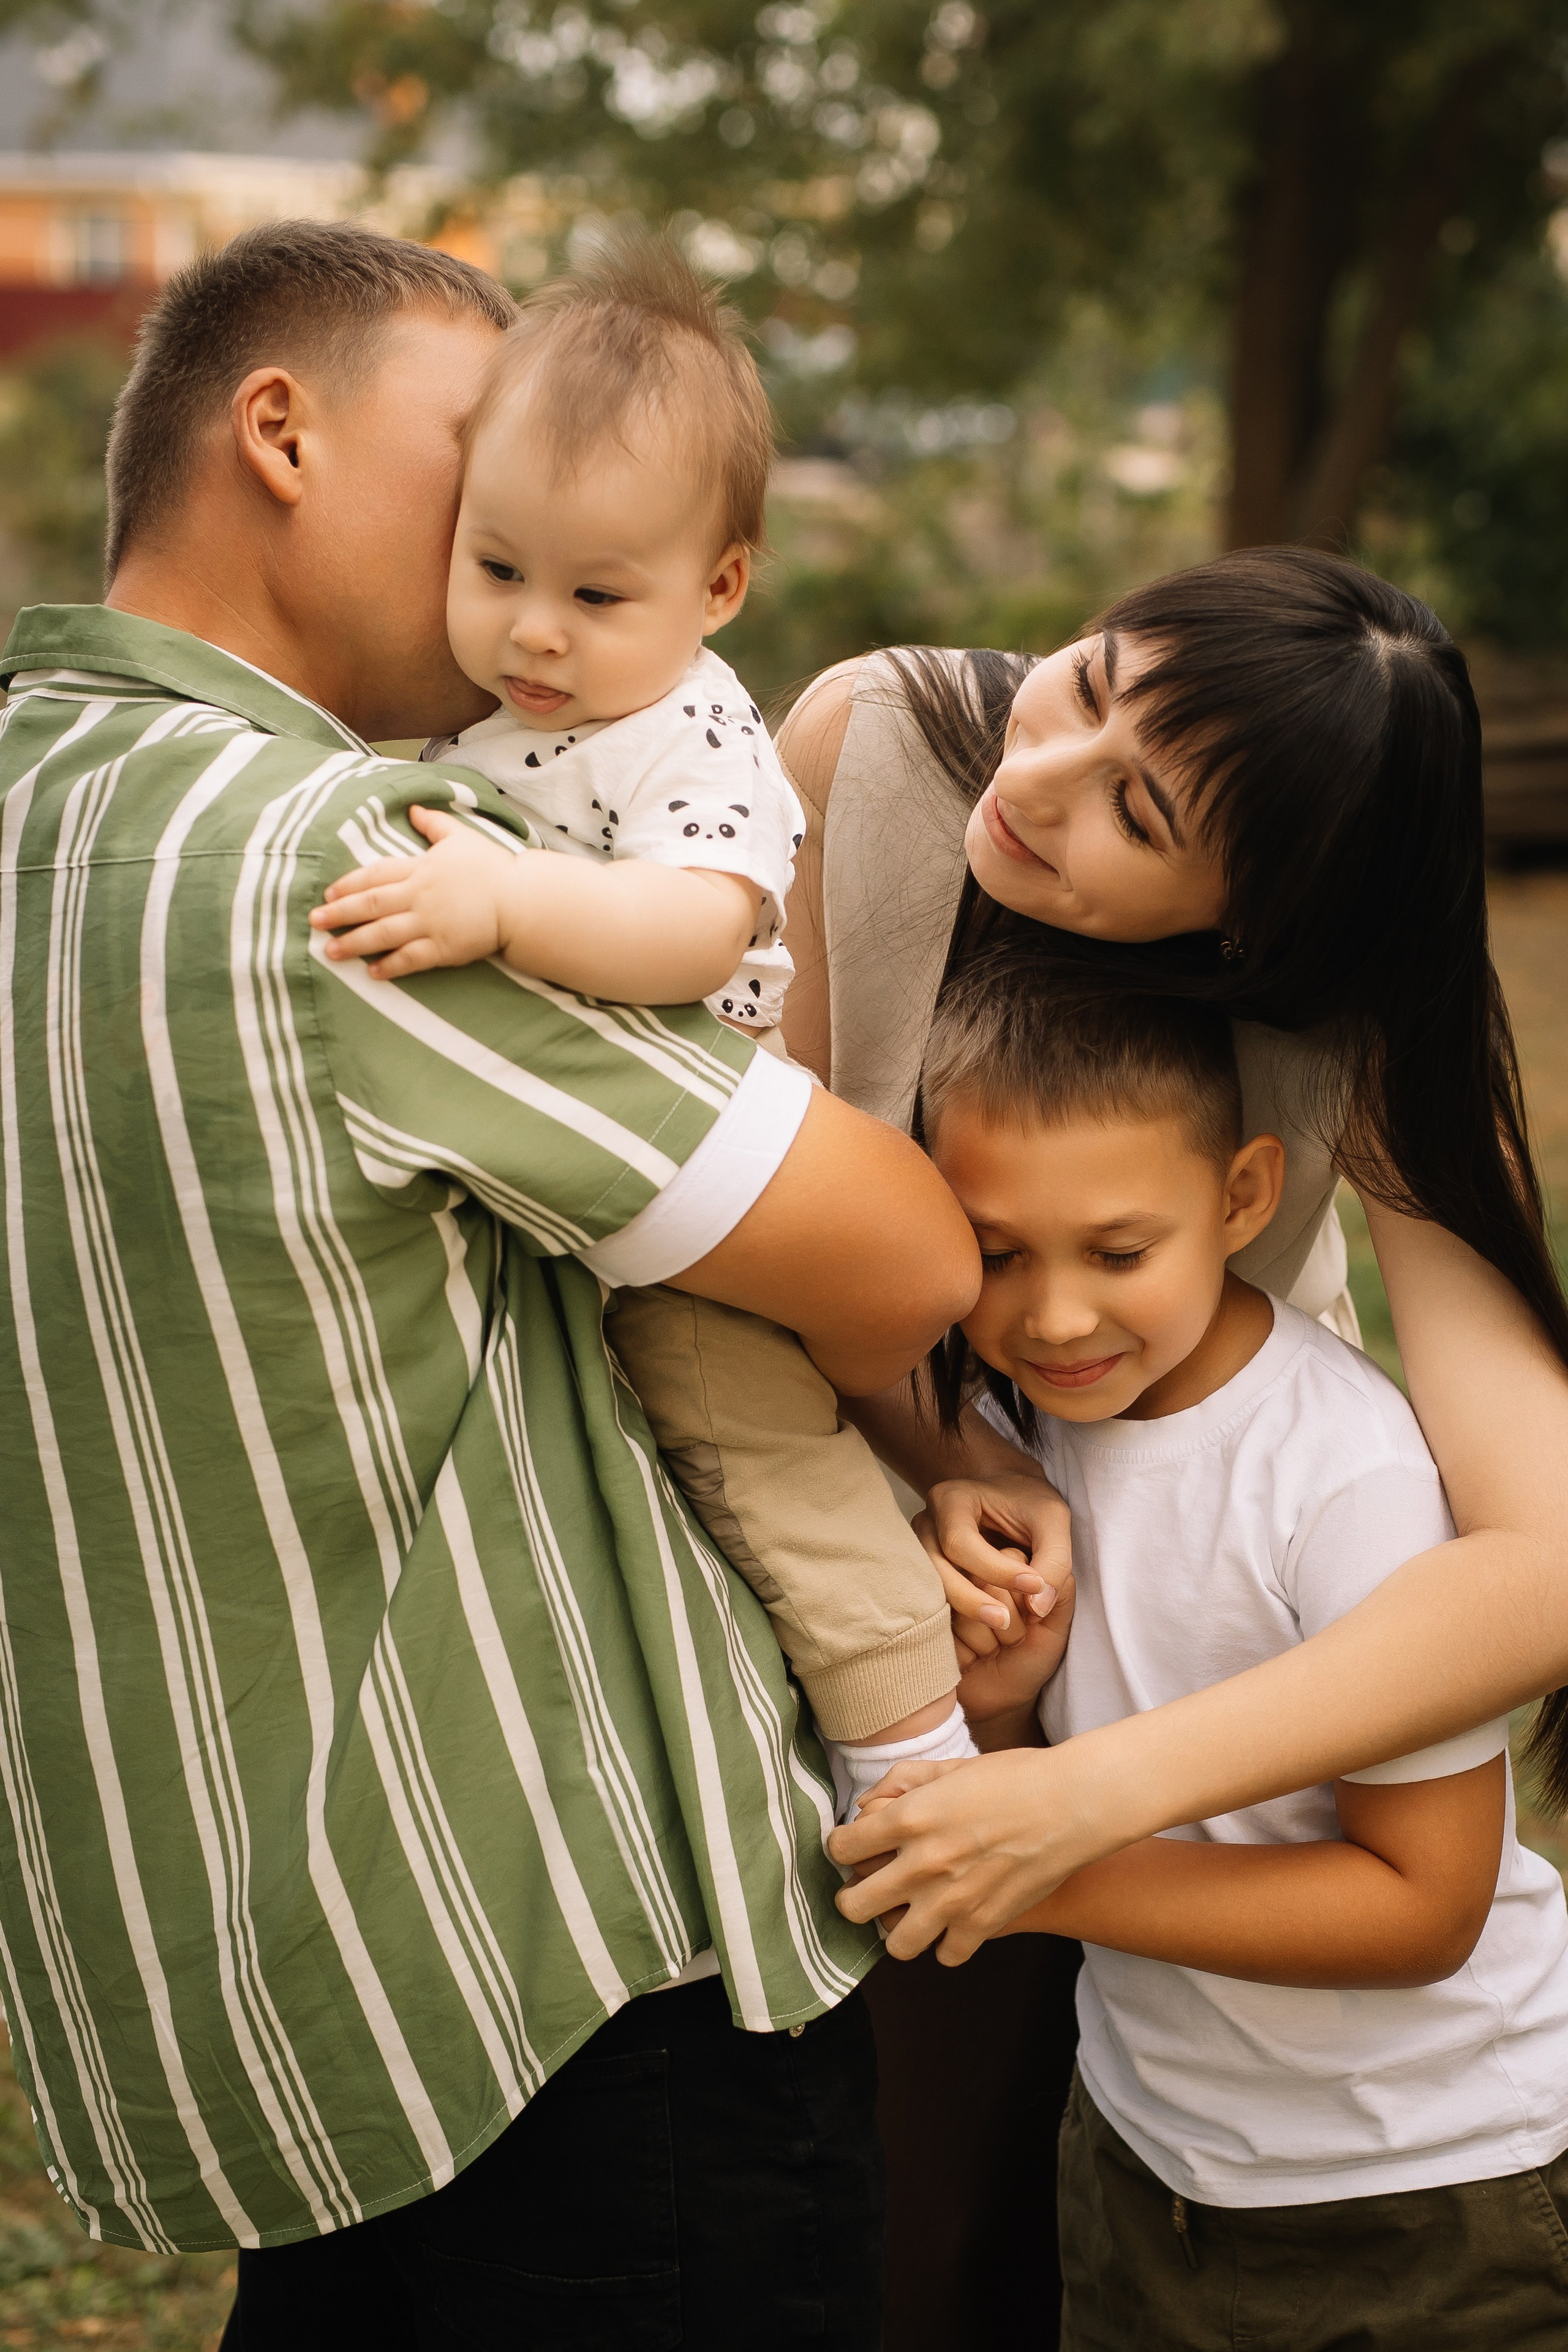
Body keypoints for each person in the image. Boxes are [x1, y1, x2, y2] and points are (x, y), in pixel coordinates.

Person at [0, 217, 982, 2349]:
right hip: (567, 1986)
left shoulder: (36, 798)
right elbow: (903, 1247)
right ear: (283, 434)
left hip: (270, 1986)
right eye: (475, 465)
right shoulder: (345, 863)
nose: (514, 541)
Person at [770, 564, 1568, 2347]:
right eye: (1087, 683)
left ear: (1255, 932)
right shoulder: (877, 744)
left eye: (1139, 814)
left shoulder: (1360, 1010)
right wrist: (957, 1454)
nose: (1039, 774)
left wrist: (1084, 1801)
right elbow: (766, 1232)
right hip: (897, 1595)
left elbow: (1547, 1561)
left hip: (1186, 1626)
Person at [310, 227, 1001, 1807]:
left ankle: (914, 1756)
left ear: (720, 588)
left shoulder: (690, 731)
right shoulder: (509, 716)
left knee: (762, 1461)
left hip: (704, 1191)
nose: (534, 632)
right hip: (575, 1180)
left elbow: (695, 931)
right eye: (496, 570)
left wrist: (504, 905)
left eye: (594, 593)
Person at [905, 949, 1568, 2349]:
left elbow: (1421, 1908)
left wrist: (1030, 1879)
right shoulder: (1022, 1434)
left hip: (1422, 2187)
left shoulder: (1339, 1479)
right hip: (1146, 2158)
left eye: (1117, 1252)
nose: (1054, 1316)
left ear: (1242, 1196)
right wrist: (1005, 1708)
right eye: (997, 1253)